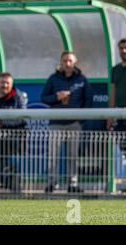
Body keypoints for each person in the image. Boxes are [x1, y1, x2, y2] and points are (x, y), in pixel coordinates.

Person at [41, 51, 93, 194]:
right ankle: (52, 183)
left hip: (74, 124)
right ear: (61, 62)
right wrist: (56, 97)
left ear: (75, 63)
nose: (67, 64)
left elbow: (88, 100)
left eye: (70, 61)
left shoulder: (82, 79)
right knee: (52, 156)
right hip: (56, 123)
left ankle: (73, 184)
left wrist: (80, 119)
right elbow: (44, 97)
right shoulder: (53, 78)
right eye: (65, 61)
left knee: (73, 156)